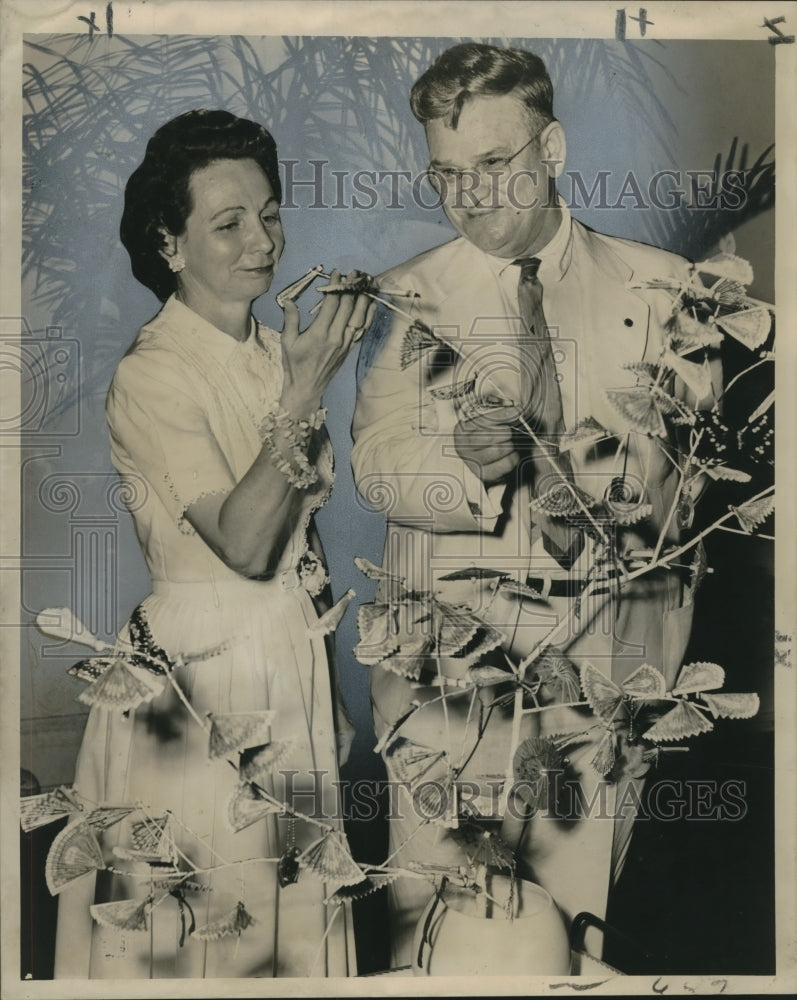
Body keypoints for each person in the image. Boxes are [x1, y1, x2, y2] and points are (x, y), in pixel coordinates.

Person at [351, 43, 721, 968]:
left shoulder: (667, 291)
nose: (467, 198)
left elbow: (675, 492)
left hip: (597, 682)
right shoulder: (409, 295)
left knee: (569, 934)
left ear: (550, 149)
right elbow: (375, 462)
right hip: (446, 687)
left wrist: (563, 466)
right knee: (435, 931)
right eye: (445, 174)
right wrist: (471, 467)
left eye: (492, 166)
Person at [53, 109, 372, 978]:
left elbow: (298, 552)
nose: (261, 239)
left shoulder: (276, 352)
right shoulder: (152, 373)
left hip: (288, 667)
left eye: (268, 213)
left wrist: (327, 692)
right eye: (227, 223)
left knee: (293, 927)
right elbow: (240, 543)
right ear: (169, 245)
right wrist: (306, 391)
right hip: (193, 682)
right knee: (201, 935)